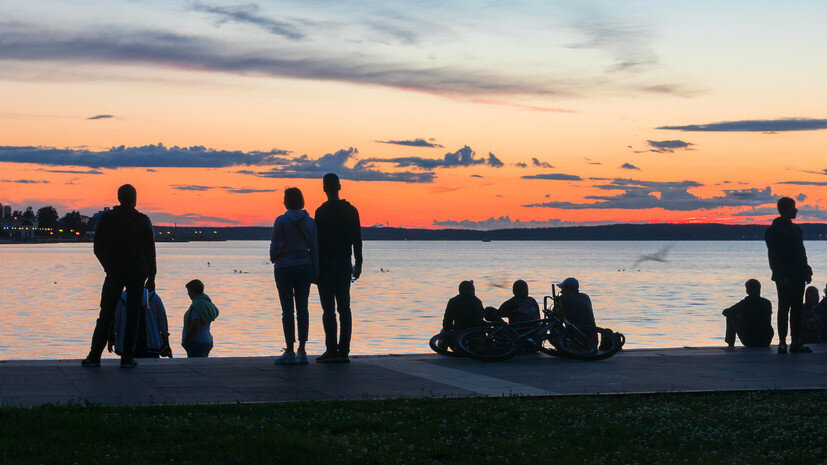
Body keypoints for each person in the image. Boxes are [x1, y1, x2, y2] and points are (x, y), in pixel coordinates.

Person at [83, 184, 156, 368]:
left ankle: (94, 356)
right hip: (136, 273)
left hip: (115, 272)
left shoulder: (107, 219)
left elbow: (97, 247)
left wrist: (108, 267)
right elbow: (151, 252)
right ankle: (127, 357)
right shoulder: (142, 220)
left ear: (118, 198)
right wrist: (152, 276)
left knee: (106, 315)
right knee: (133, 315)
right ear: (134, 199)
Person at [314, 173, 362, 363]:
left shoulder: (321, 212)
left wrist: (315, 267)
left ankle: (331, 349)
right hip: (344, 262)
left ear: (324, 189)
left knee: (328, 310)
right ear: (339, 187)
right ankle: (344, 350)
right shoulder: (351, 211)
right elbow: (357, 240)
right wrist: (358, 264)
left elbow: (316, 243)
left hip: (326, 263)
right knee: (344, 308)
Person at [271, 187, 318, 365]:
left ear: (286, 201)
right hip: (305, 267)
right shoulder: (310, 222)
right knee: (303, 309)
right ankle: (302, 350)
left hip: (284, 268)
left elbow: (275, 245)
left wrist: (274, 257)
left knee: (287, 310)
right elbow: (314, 248)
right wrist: (316, 269)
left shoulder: (281, 220)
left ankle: (289, 350)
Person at [765, 197, 814, 353]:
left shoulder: (797, 230)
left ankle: (795, 342)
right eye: (793, 207)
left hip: (798, 275)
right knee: (784, 308)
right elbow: (774, 256)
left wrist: (807, 271)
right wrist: (780, 276)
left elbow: (801, 253)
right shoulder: (773, 231)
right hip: (785, 277)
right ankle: (782, 342)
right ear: (785, 209)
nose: (796, 210)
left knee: (797, 309)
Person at [109, 287, 172, 358]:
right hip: (152, 345)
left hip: (128, 347)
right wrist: (166, 343)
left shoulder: (122, 298)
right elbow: (162, 322)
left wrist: (111, 340)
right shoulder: (154, 297)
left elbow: (115, 322)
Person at [722, 279, 774, 348]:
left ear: (747, 291)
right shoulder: (767, 302)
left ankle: (730, 344)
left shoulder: (744, 303)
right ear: (759, 289)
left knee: (731, 316)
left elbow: (725, 312)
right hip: (766, 341)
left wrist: (739, 315)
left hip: (750, 341)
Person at [554, 277, 598, 347]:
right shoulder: (585, 297)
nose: (561, 291)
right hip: (593, 341)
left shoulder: (563, 298)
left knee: (554, 328)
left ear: (568, 288)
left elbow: (556, 316)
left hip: (577, 340)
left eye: (563, 288)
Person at [181, 279, 219, 357]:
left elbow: (195, 324)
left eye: (189, 291)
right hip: (207, 340)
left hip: (197, 342)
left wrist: (186, 340)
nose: (188, 293)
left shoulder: (197, 306)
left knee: (194, 363)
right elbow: (216, 311)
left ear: (194, 292)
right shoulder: (207, 303)